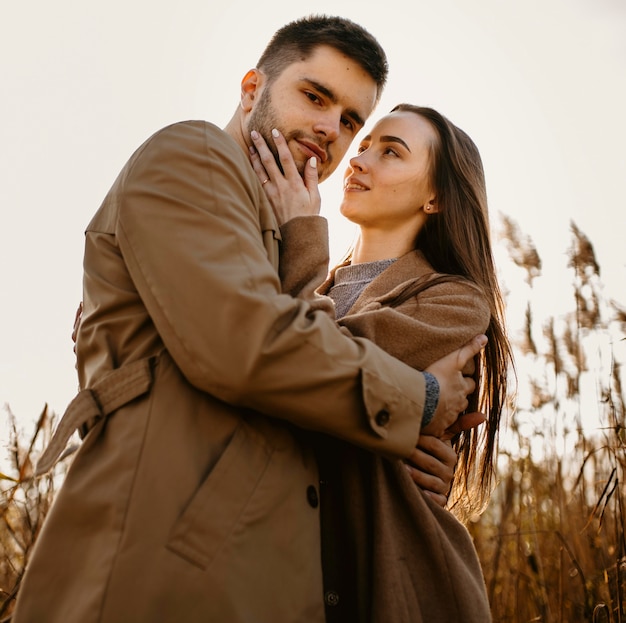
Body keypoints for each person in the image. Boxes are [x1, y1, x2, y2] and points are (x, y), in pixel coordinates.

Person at [11, 16, 486, 623]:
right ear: (251, 88)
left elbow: (296, 364)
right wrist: (420, 399)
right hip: (169, 565)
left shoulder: (280, 240)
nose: (333, 134)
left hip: (272, 577)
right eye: (314, 96)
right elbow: (264, 349)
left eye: (351, 122)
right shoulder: (199, 155)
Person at [249, 103, 513, 621]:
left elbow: (312, 362)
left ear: (435, 196)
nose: (359, 159)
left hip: (394, 578)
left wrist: (302, 229)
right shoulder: (310, 282)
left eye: (390, 152)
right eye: (365, 145)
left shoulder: (455, 302)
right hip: (283, 573)